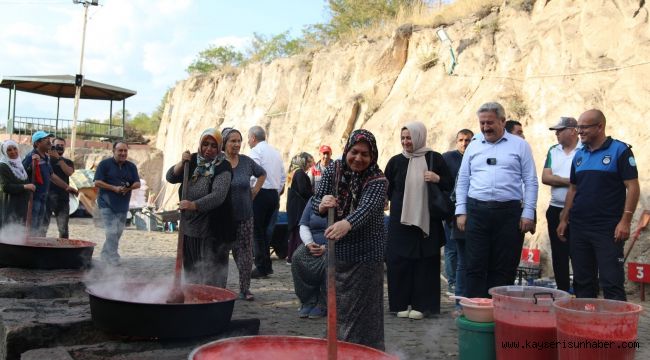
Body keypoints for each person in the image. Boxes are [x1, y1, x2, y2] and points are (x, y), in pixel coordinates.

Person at [313, 129, 388, 350]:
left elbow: (368, 208)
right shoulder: (333, 170)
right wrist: (322, 203)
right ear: (347, 150)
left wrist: (347, 223)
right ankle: (337, 349)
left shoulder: (378, 179)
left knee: (365, 310)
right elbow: (317, 199)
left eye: (365, 154)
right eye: (354, 152)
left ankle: (365, 351)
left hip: (367, 254)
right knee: (338, 306)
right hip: (338, 252)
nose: (358, 158)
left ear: (372, 156)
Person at [455, 102, 538, 298]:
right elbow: (463, 180)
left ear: (502, 121)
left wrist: (528, 212)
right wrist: (461, 211)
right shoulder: (473, 146)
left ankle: (498, 313)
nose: (485, 127)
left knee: (504, 267)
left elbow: (531, 181)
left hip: (509, 214)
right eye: (482, 123)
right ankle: (475, 313)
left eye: (490, 122)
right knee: (474, 265)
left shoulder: (520, 145)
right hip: (477, 212)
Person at [557, 109, 639, 301]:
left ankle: (616, 330)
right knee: (583, 282)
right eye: (578, 127)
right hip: (579, 227)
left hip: (608, 229)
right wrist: (564, 219)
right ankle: (587, 327)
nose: (580, 131)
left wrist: (625, 221)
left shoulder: (620, 150)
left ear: (600, 127)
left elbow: (633, 187)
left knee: (611, 282)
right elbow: (573, 190)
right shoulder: (579, 156)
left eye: (584, 127)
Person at [385, 122, 453, 319]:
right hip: (401, 221)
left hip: (426, 220)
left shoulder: (434, 158)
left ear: (419, 137)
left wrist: (437, 178)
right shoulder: (395, 161)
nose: (406, 142)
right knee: (399, 262)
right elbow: (386, 188)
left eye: (410, 138)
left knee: (425, 263)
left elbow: (449, 184)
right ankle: (399, 304)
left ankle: (423, 306)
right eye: (403, 138)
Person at [166, 128, 233, 286]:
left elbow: (218, 196)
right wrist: (182, 162)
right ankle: (193, 298)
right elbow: (171, 177)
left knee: (211, 273)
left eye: (213, 146)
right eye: (205, 144)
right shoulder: (193, 160)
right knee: (191, 270)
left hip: (212, 229)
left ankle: (212, 303)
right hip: (189, 228)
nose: (208, 149)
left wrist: (193, 204)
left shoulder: (224, 166)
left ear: (219, 147)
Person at [222, 127, 266, 300]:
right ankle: (220, 288)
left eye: (239, 141)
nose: (237, 144)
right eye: (232, 141)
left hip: (245, 215)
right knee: (222, 253)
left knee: (246, 254)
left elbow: (262, 173)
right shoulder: (218, 162)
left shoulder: (247, 162)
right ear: (224, 143)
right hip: (223, 218)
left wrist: (255, 190)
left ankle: (245, 289)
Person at [542, 117, 579, 292]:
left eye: (560, 130)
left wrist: (559, 180)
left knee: (579, 253)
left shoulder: (584, 149)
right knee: (559, 254)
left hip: (578, 209)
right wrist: (571, 182)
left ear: (572, 130)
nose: (556, 134)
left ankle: (582, 293)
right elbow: (545, 177)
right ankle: (562, 292)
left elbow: (584, 181)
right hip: (555, 208)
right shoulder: (553, 150)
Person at [94, 141, 141, 266]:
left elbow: (137, 183)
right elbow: (97, 182)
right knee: (111, 231)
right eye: (120, 150)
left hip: (123, 205)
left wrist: (129, 188)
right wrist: (114, 188)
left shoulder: (131, 166)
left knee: (117, 232)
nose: (123, 153)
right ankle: (114, 258)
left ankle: (104, 255)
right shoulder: (104, 164)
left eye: (125, 151)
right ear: (113, 151)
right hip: (106, 204)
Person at [248, 125, 286, 278]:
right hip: (273, 194)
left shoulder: (256, 151)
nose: (248, 142)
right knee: (266, 232)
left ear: (253, 138)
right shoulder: (275, 152)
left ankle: (261, 266)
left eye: (249, 139)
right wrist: (276, 191)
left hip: (260, 193)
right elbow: (283, 176)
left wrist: (253, 190)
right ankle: (266, 266)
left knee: (257, 232)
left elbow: (253, 172)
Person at [22, 131, 76, 237]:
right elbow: (21, 175)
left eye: (49, 139)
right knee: (32, 226)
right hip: (34, 198)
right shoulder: (31, 157)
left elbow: (52, 176)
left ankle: (37, 249)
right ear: (37, 143)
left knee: (39, 227)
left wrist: (67, 187)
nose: (49, 141)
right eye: (45, 139)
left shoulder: (45, 158)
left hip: (43, 197)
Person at [442, 129, 474, 309]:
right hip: (453, 212)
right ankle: (453, 281)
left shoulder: (476, 156)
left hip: (474, 213)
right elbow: (444, 184)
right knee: (452, 250)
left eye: (468, 140)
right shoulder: (447, 158)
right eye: (461, 140)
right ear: (456, 142)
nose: (464, 143)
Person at [291, 197, 328, 319]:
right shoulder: (313, 199)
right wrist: (309, 243)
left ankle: (324, 303)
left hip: (334, 244)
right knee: (297, 257)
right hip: (312, 243)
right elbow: (304, 224)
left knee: (329, 261)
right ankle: (308, 300)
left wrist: (326, 247)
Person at [286, 152, 314, 264]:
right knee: (298, 233)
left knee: (295, 233)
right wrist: (313, 193)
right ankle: (296, 257)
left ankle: (292, 257)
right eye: (308, 162)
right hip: (299, 208)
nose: (309, 165)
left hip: (295, 207)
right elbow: (303, 191)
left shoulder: (296, 172)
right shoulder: (300, 173)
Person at [44, 137, 75, 239]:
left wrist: (59, 159)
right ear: (52, 146)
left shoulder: (68, 162)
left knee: (63, 229)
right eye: (58, 145)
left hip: (62, 199)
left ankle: (63, 252)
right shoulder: (45, 160)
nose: (60, 147)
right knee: (42, 227)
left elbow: (69, 172)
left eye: (62, 145)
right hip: (46, 198)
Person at [0, 140, 35, 228]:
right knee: (8, 231)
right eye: (9, 150)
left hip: (20, 206)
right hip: (9, 206)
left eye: (14, 148)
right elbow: (4, 187)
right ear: (4, 152)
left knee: (18, 231)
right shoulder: (3, 166)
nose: (13, 152)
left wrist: (33, 166)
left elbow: (23, 179)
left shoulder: (19, 164)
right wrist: (25, 187)